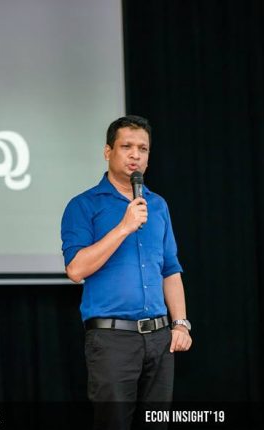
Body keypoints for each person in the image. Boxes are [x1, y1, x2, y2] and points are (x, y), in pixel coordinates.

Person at [61, 115, 192, 429]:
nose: (135, 155)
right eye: (126, 146)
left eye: (143, 149)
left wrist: (181, 324)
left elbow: (170, 270)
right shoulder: (83, 205)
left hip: (160, 339)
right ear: (108, 151)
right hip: (112, 340)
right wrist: (124, 227)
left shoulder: (157, 205)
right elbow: (76, 269)